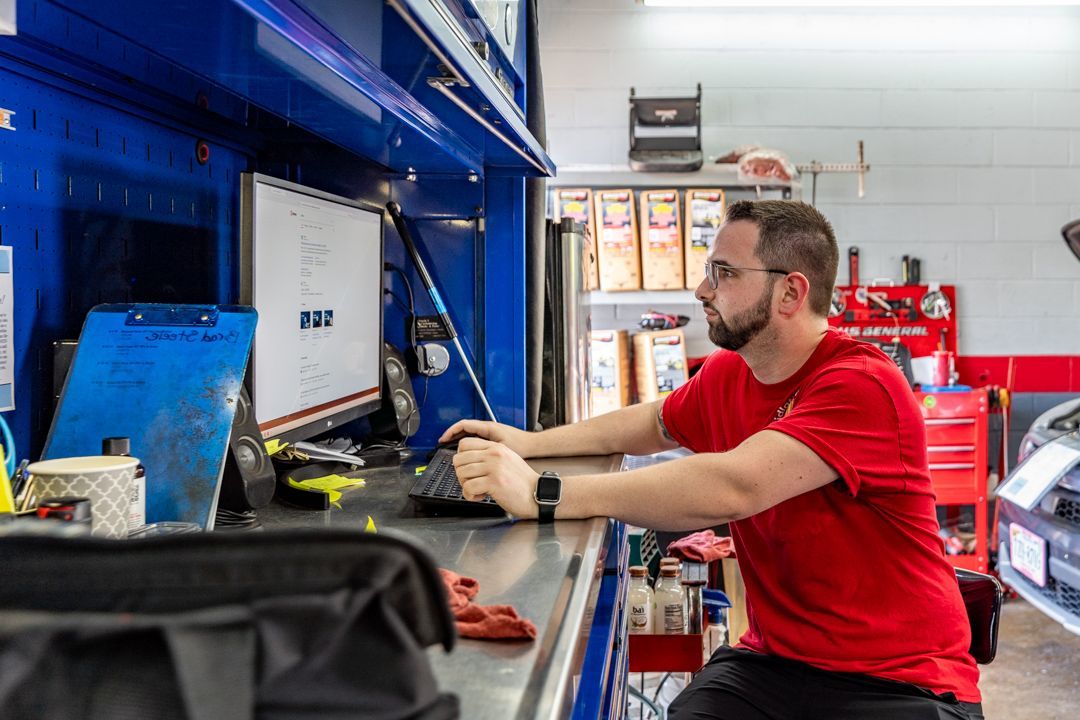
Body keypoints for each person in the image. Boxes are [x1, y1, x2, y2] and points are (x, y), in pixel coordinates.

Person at [440, 200, 983, 719]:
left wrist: (544, 493)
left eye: (723, 273)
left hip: (901, 681)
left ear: (791, 293)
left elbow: (734, 485)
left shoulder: (861, 386)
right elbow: (652, 423)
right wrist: (530, 442)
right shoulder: (734, 372)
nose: (702, 289)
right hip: (778, 663)